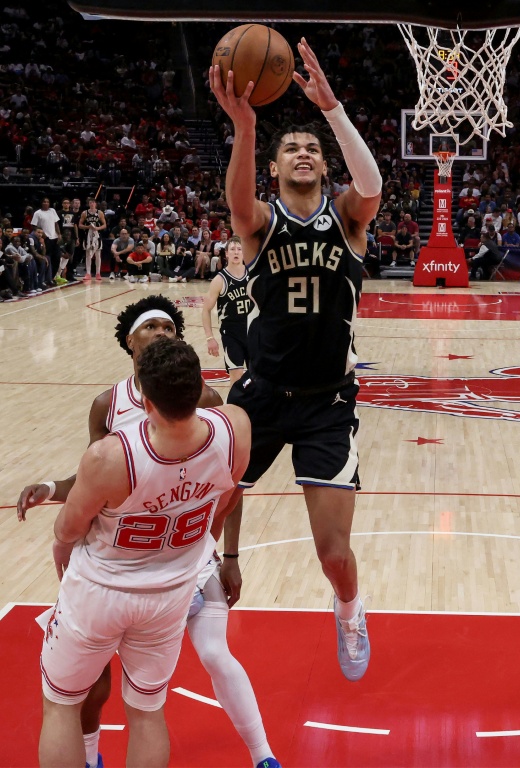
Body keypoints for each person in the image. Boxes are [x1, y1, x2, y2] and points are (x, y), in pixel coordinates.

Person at [18, 295, 278, 768]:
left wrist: (223, 554)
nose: (161, 332)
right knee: (146, 711)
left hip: (110, 582)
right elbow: (231, 486)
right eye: (150, 326)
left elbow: (73, 520)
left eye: (167, 326)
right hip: (169, 587)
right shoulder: (234, 425)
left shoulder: (114, 454)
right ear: (129, 344)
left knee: (61, 704)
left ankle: (263, 752)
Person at [210, 36, 382, 682]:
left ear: (323, 165)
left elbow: (373, 182)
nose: (304, 153)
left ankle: (349, 609)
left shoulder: (348, 218)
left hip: (328, 404)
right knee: (211, 505)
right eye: (293, 148)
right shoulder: (258, 223)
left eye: (312, 149)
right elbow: (235, 201)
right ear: (276, 168)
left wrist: (332, 112)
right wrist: (248, 127)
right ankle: (202, 589)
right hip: (261, 392)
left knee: (334, 553)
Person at [202, 236, 250, 385]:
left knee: (258, 377)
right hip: (231, 334)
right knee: (236, 377)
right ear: (226, 254)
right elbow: (206, 310)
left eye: (239, 249)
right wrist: (210, 338)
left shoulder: (253, 273)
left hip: (254, 331)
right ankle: (235, 407)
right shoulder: (219, 280)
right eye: (233, 249)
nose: (236, 252)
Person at [79, 198, 107, 281]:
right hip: (88, 235)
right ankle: (88, 273)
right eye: (90, 203)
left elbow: (104, 225)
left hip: (97, 235)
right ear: (88, 204)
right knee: (88, 254)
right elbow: (80, 225)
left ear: (96, 204)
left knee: (98, 255)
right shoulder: (85, 213)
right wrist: (88, 227)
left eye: (93, 203)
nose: (92, 204)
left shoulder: (100, 213)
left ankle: (98, 273)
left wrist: (97, 228)